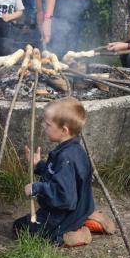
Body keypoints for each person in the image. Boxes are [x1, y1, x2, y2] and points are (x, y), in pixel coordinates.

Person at [13, 97, 95, 246]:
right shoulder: (72, 150)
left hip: (63, 215)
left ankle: (66, 236)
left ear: (64, 130)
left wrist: (37, 188)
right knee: (25, 223)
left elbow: (64, 197)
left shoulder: (66, 158)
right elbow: (58, 176)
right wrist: (39, 166)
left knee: (20, 229)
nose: (44, 127)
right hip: (76, 209)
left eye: (48, 124)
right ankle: (85, 218)